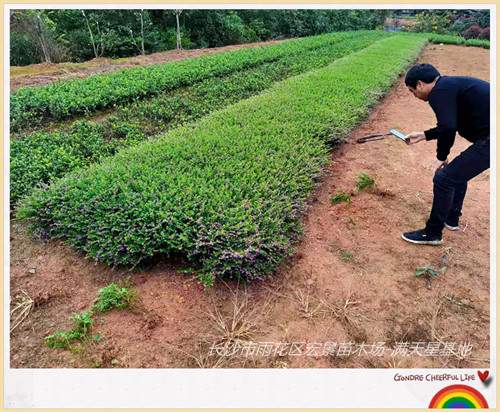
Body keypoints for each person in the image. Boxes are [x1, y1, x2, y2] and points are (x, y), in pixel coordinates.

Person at [401, 63, 490, 245]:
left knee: (444, 178)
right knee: (456, 174)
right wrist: (425, 135)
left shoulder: (438, 92)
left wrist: (440, 157)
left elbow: (449, 127)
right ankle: (452, 218)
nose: (415, 96)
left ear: (420, 84)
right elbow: (451, 124)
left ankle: (432, 233)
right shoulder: (448, 86)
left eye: (412, 91)